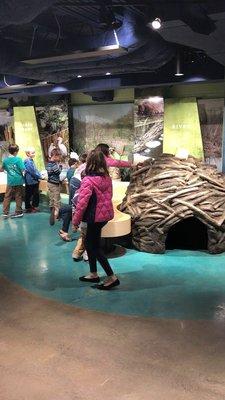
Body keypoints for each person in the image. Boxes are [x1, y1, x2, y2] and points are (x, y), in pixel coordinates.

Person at [72, 150, 120, 290]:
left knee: (93, 246)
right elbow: (108, 197)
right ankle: (93, 273)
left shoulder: (88, 180)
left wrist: (75, 221)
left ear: (89, 162)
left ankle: (111, 277)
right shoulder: (107, 177)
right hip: (104, 216)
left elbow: (82, 203)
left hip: (93, 216)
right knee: (89, 242)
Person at [1, 143, 24, 218]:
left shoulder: (5, 160)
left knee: (7, 196)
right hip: (18, 180)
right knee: (18, 196)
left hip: (10, 181)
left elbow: (2, 169)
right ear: (15, 152)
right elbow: (23, 169)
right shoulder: (19, 159)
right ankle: (18, 212)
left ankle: (5, 212)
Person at [46, 148, 62, 225]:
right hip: (54, 184)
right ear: (55, 156)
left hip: (50, 183)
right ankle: (56, 216)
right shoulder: (54, 164)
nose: (60, 158)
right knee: (57, 200)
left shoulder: (48, 163)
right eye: (59, 156)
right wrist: (60, 166)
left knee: (52, 199)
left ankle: (52, 213)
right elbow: (58, 171)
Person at [24, 147, 42, 213]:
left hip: (32, 180)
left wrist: (39, 175)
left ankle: (30, 207)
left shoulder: (30, 160)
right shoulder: (28, 161)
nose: (34, 154)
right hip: (31, 181)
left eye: (34, 152)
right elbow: (33, 171)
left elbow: (35, 170)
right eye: (32, 153)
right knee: (33, 194)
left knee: (31, 194)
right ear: (28, 154)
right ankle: (31, 207)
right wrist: (39, 176)